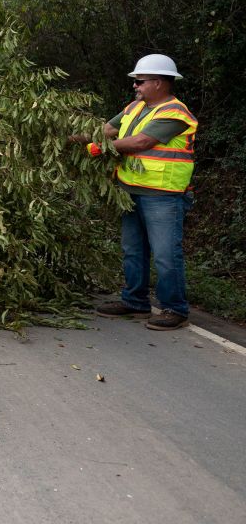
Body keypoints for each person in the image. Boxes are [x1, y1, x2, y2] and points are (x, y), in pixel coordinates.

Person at [69, 54, 198, 331]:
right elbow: (103, 130)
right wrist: (68, 137)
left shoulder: (174, 113)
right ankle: (135, 300)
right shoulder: (134, 108)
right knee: (133, 250)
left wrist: (99, 149)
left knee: (165, 254)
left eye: (139, 81)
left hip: (163, 195)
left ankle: (174, 309)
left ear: (160, 82)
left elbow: (141, 141)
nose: (135, 86)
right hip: (130, 190)